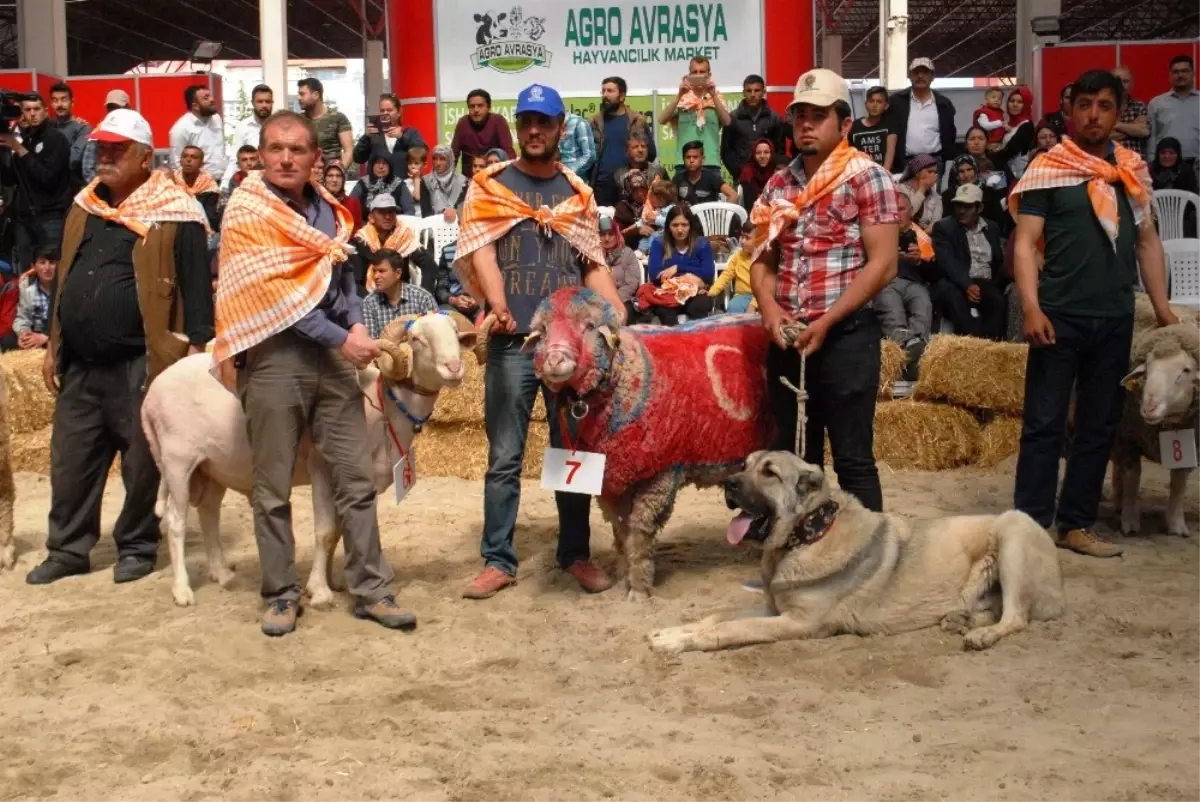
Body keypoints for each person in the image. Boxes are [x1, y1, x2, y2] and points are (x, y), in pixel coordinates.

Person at [212, 110, 416, 635]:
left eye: (296, 150)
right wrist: (343, 338)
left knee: (356, 477)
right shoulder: (246, 210)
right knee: (272, 486)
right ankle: (281, 593)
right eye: (275, 149)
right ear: (260, 154)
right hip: (274, 356)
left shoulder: (328, 211)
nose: (285, 158)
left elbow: (342, 276)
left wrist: (353, 322)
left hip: (329, 357)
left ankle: (371, 587)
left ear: (314, 159)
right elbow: (274, 296)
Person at [26, 108, 213, 586]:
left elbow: (196, 289)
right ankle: (67, 548)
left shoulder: (178, 212)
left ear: (145, 157)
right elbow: (66, 276)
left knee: (141, 462)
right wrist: (54, 346)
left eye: (116, 149)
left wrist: (194, 353)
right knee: (70, 461)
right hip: (82, 364)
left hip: (142, 361)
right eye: (100, 147)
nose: (103, 156)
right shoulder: (84, 205)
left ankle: (136, 545)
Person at [455, 82, 625, 599]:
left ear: (559, 128)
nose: (533, 130)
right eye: (526, 121)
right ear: (519, 125)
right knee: (504, 454)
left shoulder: (576, 194)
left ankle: (575, 552)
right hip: (514, 342)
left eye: (543, 122)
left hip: (570, 348)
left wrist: (617, 312)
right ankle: (498, 559)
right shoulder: (491, 185)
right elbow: (481, 250)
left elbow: (592, 264)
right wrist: (497, 302)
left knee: (571, 448)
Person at [1010, 69, 1176, 559]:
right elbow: (1023, 243)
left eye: (1105, 105)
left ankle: (1076, 523)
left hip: (1115, 315)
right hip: (1059, 314)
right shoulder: (1049, 167)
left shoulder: (1132, 173)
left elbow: (1148, 243)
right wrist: (1032, 306)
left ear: (1118, 112)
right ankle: (1030, 526)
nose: (1094, 115)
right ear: (1070, 111)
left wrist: (1163, 309)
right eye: (1085, 105)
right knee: (1043, 422)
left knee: (1100, 424)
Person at [750, 67, 900, 514]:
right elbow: (761, 258)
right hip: (789, 336)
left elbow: (885, 262)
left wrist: (828, 321)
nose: (806, 125)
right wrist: (770, 310)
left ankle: (868, 565)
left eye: (818, 115)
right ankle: (797, 563)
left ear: (845, 123)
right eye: (800, 116)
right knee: (793, 458)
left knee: (853, 459)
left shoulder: (867, 177)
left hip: (846, 336)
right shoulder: (779, 183)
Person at [0, 94, 72, 271]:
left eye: (36, 109)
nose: (32, 114)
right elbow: (10, 179)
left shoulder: (55, 139)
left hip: (51, 216)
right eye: (27, 110)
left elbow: (47, 177)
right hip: (25, 218)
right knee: (27, 272)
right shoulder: (26, 139)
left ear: (45, 112)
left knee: (53, 271)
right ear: (22, 113)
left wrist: (19, 149)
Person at [930, 184, 1006, 340]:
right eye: (958, 205)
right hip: (957, 281)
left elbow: (997, 261)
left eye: (967, 206)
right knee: (954, 297)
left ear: (979, 208)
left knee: (997, 300)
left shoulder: (992, 227)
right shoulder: (944, 227)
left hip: (985, 281)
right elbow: (947, 261)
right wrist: (967, 284)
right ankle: (972, 344)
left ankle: (991, 346)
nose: (961, 211)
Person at [659, 56, 732, 179]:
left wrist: (713, 95)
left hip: (710, 163)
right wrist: (679, 95)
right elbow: (662, 119)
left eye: (702, 72)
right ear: (689, 74)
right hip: (684, 163)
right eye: (695, 72)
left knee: (711, 199)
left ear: (709, 74)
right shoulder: (682, 98)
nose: (698, 75)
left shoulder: (717, 98)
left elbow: (727, 121)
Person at [876, 193, 934, 345]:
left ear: (911, 211)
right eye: (893, 210)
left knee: (923, 302)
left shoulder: (922, 238)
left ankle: (917, 343)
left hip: (915, 283)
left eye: (901, 209)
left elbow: (934, 272)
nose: (897, 214)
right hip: (887, 282)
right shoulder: (879, 233)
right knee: (890, 304)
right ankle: (900, 344)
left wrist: (919, 260)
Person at [644, 202, 715, 325]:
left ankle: (697, 341)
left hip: (696, 293)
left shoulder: (702, 244)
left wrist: (678, 268)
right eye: (675, 225)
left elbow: (708, 274)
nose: (680, 229)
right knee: (665, 312)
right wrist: (692, 276)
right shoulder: (659, 244)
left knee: (699, 307)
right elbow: (655, 274)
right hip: (667, 294)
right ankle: (673, 342)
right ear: (668, 227)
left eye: (684, 225)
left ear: (691, 226)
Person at [590, 76, 657, 205]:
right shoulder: (593, 122)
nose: (605, 95)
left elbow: (651, 154)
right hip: (602, 186)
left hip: (632, 185)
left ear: (622, 96)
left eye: (610, 91)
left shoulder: (638, 120)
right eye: (603, 91)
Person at [350, 194, 434, 295]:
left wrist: (424, 295)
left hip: (400, 295)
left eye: (391, 212)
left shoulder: (404, 236)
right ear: (371, 217)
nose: (388, 216)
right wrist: (370, 302)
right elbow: (356, 281)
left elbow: (429, 264)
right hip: (369, 297)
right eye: (381, 212)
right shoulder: (361, 241)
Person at [887, 57, 957, 175]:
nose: (920, 76)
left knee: (933, 194)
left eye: (925, 72)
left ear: (932, 76)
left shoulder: (944, 103)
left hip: (934, 162)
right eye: (916, 72)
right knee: (905, 193)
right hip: (904, 163)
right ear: (909, 75)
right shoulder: (895, 101)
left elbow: (950, 134)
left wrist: (946, 160)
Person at [722, 73, 788, 179]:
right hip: (742, 178)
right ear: (743, 92)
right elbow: (726, 151)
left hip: (769, 177)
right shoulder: (733, 118)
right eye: (749, 91)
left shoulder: (774, 118)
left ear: (763, 92)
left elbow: (780, 151)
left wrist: (773, 173)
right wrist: (738, 173)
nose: (752, 94)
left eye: (757, 90)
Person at [360, 249, 437, 338]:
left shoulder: (423, 298)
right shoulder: (369, 303)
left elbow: (435, 335)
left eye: (381, 271)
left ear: (398, 273)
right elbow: (372, 341)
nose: (375, 276)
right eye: (374, 271)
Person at [354, 92, 427, 178]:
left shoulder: (410, 133)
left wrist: (401, 137)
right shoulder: (373, 136)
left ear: (398, 112)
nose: (385, 114)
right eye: (382, 110)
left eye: (389, 110)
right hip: (378, 187)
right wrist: (366, 137)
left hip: (404, 186)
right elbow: (358, 158)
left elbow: (422, 151)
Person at [450, 89, 515, 176]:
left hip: (494, 178)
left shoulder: (498, 121)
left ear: (488, 107)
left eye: (480, 106)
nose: (476, 110)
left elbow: (508, 153)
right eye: (472, 106)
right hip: (470, 179)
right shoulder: (463, 123)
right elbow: (453, 155)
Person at [1148, 55, 1200, 161]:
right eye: (1176, 72)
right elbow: (1151, 137)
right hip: (1166, 166)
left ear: (1193, 74)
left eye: (1185, 71)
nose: (1180, 75)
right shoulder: (1157, 103)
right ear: (1170, 75)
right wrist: (1151, 161)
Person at [168, 85, 227, 178]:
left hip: (223, 179)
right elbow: (177, 165)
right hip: (198, 185)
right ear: (195, 106)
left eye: (210, 95)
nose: (212, 100)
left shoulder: (217, 118)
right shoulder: (180, 129)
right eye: (206, 98)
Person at [297, 77, 353, 171]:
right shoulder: (299, 121)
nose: (299, 98)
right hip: (307, 178)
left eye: (302, 94)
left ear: (315, 95)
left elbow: (348, 151)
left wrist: (338, 173)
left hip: (331, 178)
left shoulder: (338, 118)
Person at [615, 169, 675, 253]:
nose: (640, 193)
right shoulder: (622, 208)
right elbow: (616, 234)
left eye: (642, 188)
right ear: (628, 191)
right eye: (635, 190)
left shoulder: (658, 204)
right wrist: (636, 231)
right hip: (630, 250)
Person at [600, 215, 643, 322]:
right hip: (598, 300)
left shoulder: (627, 253)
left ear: (617, 235)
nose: (606, 238)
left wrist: (614, 299)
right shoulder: (592, 256)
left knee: (626, 312)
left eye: (611, 234)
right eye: (602, 234)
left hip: (623, 298)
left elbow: (632, 283)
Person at [80, 90, 129, 183]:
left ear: (128, 108)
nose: (114, 112)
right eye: (110, 108)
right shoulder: (98, 132)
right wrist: (103, 189)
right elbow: (88, 169)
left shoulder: (135, 131)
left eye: (118, 108)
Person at [13, 245, 57, 349]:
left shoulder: (65, 287)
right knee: (8, 341)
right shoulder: (27, 287)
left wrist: (47, 338)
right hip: (36, 334)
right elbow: (23, 317)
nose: (47, 268)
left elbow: (69, 324)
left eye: (52, 263)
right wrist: (23, 333)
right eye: (42, 263)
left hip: (57, 337)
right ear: (34, 266)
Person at [709, 221, 757, 313]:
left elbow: (765, 288)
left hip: (761, 296)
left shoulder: (764, 259)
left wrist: (753, 305)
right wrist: (713, 291)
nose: (742, 241)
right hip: (742, 296)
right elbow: (726, 275)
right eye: (742, 237)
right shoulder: (738, 256)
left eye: (747, 238)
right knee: (733, 307)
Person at [229, 84, 273, 185]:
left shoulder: (279, 125)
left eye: (267, 101)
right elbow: (234, 159)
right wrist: (225, 185)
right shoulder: (243, 126)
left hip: (274, 182)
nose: (264, 105)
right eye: (260, 101)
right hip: (248, 183)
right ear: (253, 103)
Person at [48, 83, 91, 182]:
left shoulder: (83, 128)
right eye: (55, 100)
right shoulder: (48, 126)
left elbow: (73, 160)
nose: (59, 104)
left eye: (64, 99)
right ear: (51, 104)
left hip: (72, 184)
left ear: (72, 102)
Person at [674, 140, 737, 205]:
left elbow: (733, 195)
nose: (691, 160)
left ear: (703, 159)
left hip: (708, 215)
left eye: (695, 157)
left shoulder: (712, 177)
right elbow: (670, 200)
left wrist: (723, 213)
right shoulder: (678, 178)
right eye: (688, 157)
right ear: (683, 159)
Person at [175, 144, 221, 232]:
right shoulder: (172, 181)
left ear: (202, 164)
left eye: (194, 157)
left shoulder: (209, 184)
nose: (188, 160)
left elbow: (210, 216)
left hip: (201, 229)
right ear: (180, 161)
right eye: (185, 156)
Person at [849, 86, 895, 170]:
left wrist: (884, 176)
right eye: (871, 101)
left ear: (886, 106)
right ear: (866, 104)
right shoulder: (854, 127)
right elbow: (850, 155)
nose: (874, 105)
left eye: (879, 102)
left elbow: (889, 156)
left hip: (883, 174)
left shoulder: (890, 125)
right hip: (860, 173)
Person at [611, 133, 668, 199]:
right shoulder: (618, 175)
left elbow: (669, 198)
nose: (640, 150)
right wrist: (627, 183)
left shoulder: (659, 171)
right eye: (635, 147)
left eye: (643, 146)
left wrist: (646, 185)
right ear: (627, 151)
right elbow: (612, 202)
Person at [1112, 66, 1150, 160]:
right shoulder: (1104, 107)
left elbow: (1144, 131)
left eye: (1125, 81)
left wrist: (1116, 124)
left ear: (1132, 84)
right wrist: (1133, 129)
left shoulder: (1139, 106)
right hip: (1111, 163)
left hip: (1136, 165)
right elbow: (1103, 135)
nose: (1122, 85)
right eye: (1118, 81)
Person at [897, 154, 942, 233]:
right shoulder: (900, 190)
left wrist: (923, 235)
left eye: (935, 172)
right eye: (929, 171)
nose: (933, 175)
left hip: (926, 236)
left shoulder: (935, 196)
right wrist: (922, 189)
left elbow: (936, 221)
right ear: (917, 172)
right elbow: (908, 214)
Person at [423, 145, 467, 221]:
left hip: (457, 223)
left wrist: (455, 212)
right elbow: (426, 211)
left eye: (442, 159)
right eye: (434, 158)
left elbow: (464, 209)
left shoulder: (461, 181)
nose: (438, 163)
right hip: (433, 223)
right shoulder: (426, 180)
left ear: (450, 160)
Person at [738, 138, 777, 211]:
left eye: (766, 152)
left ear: (771, 154)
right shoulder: (747, 172)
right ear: (753, 155)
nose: (762, 156)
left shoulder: (777, 172)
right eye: (758, 153)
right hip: (752, 214)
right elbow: (750, 205)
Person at [322, 162, 361, 231]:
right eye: (330, 175)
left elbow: (357, 231)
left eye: (338, 176)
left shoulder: (353, 203)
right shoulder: (318, 203)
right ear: (324, 179)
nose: (334, 180)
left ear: (343, 179)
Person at [221, 144, 259, 213]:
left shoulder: (267, 178)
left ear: (259, 161)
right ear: (238, 164)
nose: (249, 163)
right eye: (244, 160)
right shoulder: (235, 179)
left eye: (252, 159)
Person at [558, 110, 596, 179]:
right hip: (554, 180)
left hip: (577, 181)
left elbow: (590, 156)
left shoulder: (579, 123)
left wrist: (568, 172)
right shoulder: (549, 124)